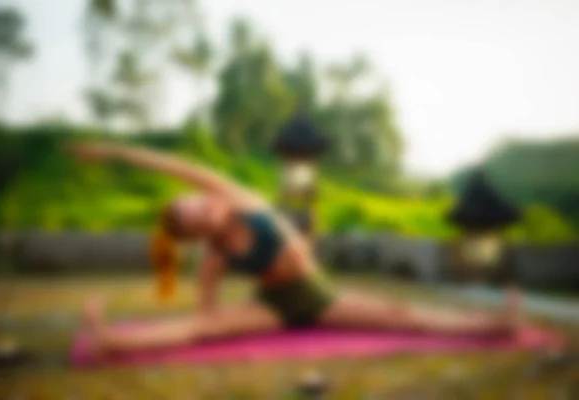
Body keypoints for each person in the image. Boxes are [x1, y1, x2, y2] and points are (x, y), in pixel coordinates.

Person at [68, 142, 522, 354]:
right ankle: (112, 341)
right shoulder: (214, 254)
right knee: (200, 330)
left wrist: (115, 152)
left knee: (403, 316)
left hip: (316, 293)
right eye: (194, 216)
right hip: (273, 305)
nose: (204, 206)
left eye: (197, 200)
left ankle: (493, 324)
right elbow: (201, 315)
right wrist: (209, 319)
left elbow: (175, 165)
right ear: (198, 232)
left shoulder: (239, 197)